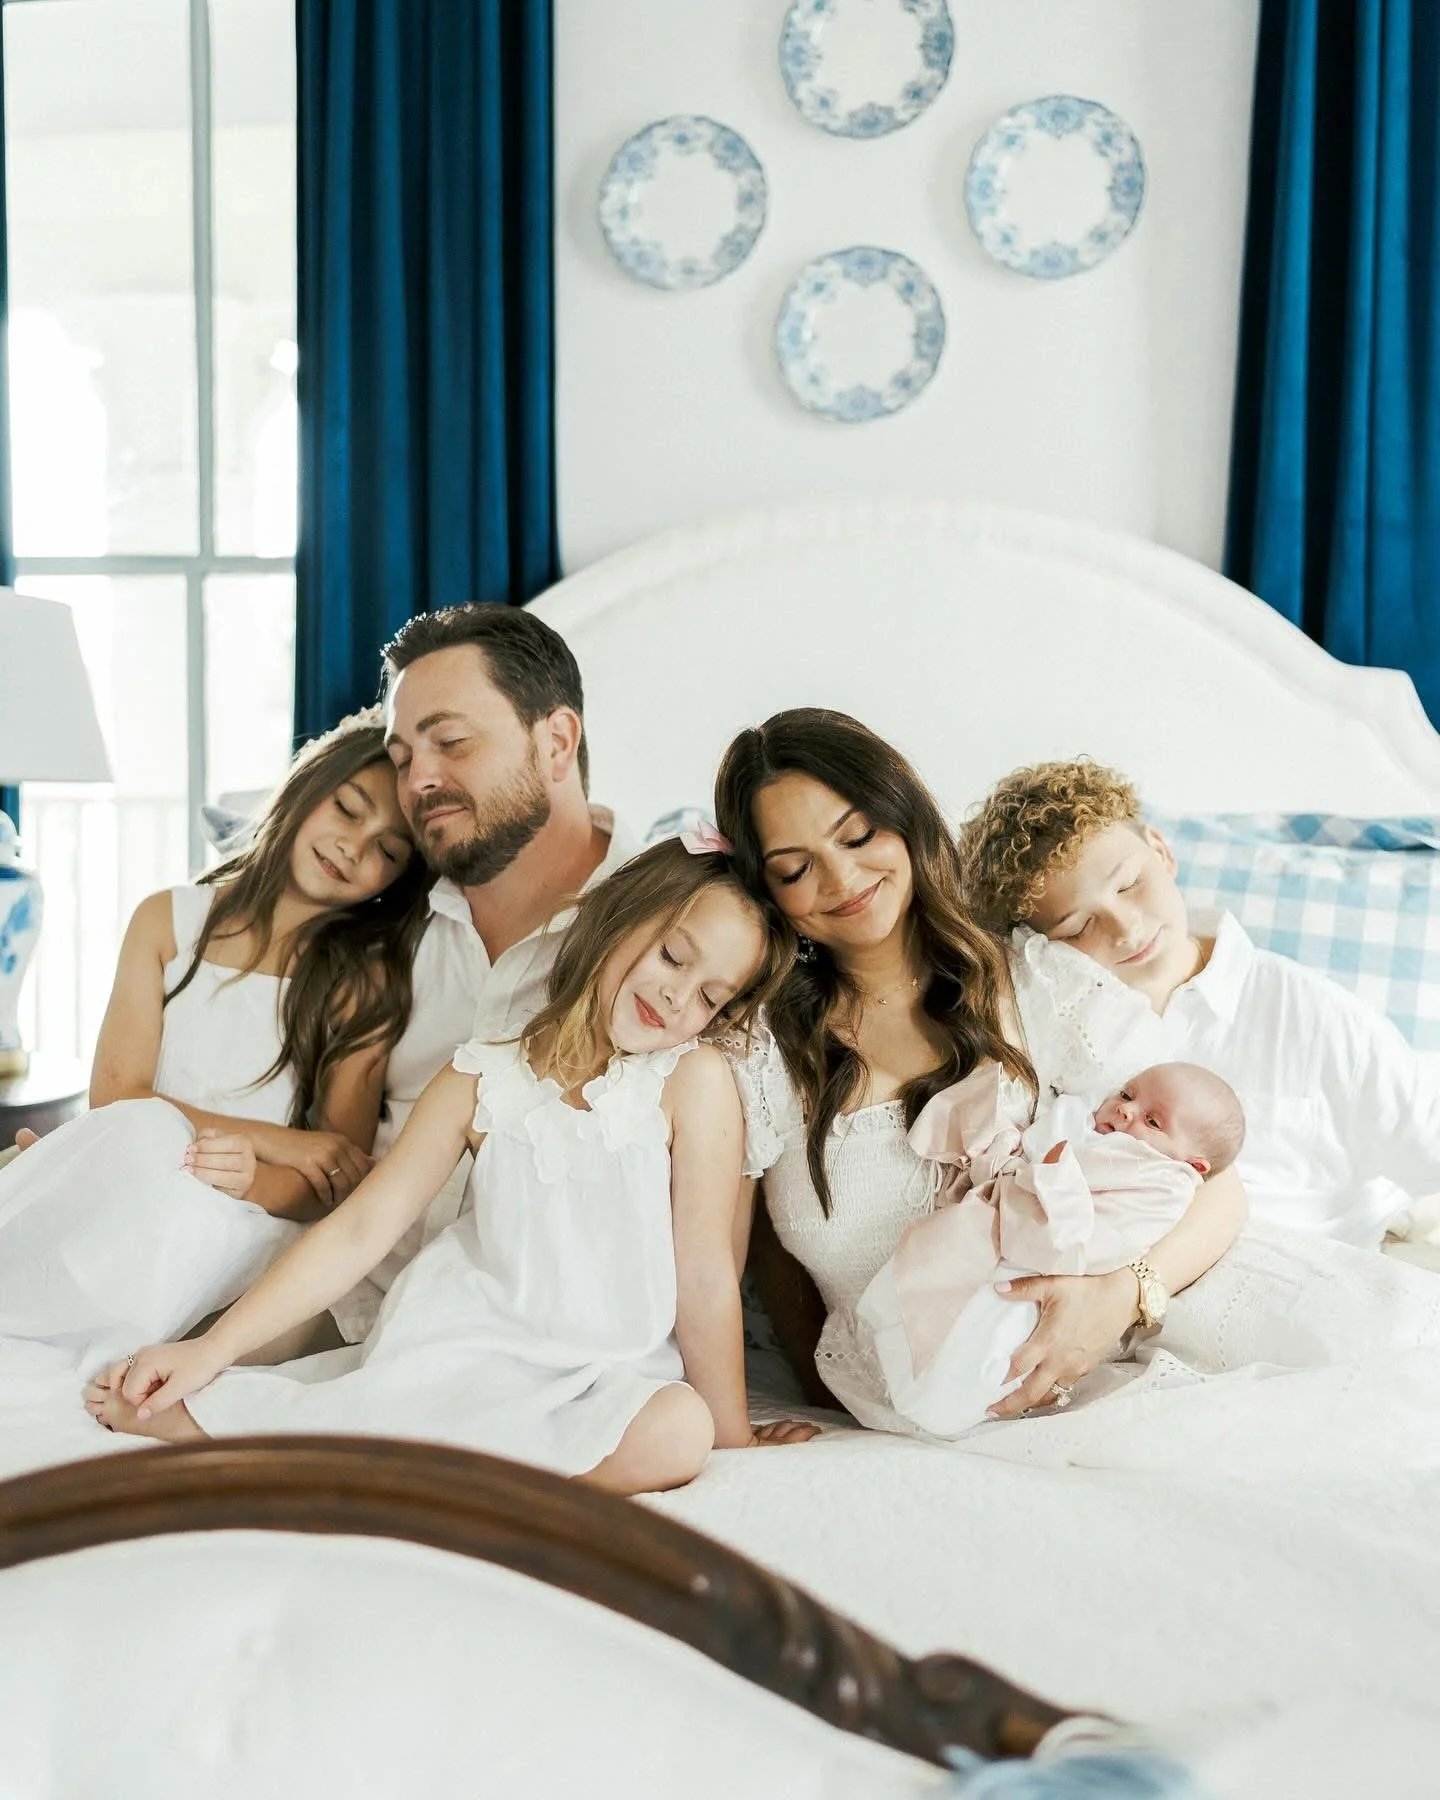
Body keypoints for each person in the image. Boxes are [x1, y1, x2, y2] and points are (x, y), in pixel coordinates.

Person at [86, 837, 816, 1495]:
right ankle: (380, 1465)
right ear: (620, 919)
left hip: (602, 1376)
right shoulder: (479, 1077)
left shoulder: (692, 1084)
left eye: (709, 998)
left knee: (679, 1428)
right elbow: (359, 1230)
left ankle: (436, 1485)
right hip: (459, 1348)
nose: (676, 996)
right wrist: (211, 1349)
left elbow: (705, 1275)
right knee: (367, 1399)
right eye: (672, 957)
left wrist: (733, 1433)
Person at [711, 709, 1248, 1428]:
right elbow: (750, 1263)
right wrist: (807, 1404)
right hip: (910, 1410)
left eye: (858, 834)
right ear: (766, 889)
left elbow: (1217, 1184)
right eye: (796, 868)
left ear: (903, 814)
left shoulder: (1036, 980)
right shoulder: (757, 1049)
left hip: (1110, 1370)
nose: (842, 878)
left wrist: (1122, 1297)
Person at [0, 711, 430, 1369]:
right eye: (348, 809)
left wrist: (255, 1177)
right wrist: (278, 1138)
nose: (355, 845)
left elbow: (332, 1176)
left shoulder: (359, 982)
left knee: (123, 1199)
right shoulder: (168, 920)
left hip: (239, 1213)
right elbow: (120, 1098)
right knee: (101, 1150)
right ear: (308, 787)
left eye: (388, 851)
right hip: (135, 1159)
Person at [957, 759, 1440, 1248]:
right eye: (1079, 927)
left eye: (1129, 885)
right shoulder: (1053, 1044)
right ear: (1038, 949)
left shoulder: (1308, 1013)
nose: (1126, 928)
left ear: (1162, 852)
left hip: (1323, 1271)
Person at [328, 603, 643, 1344]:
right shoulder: (379, 928)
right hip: (350, 1315)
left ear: (557, 741)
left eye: (451, 742)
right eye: (402, 757)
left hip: (550, 1351)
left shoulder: (676, 940)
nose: (419, 781)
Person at [859, 1061, 1244, 1438]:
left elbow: (1088, 1215)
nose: (1126, 1109)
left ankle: (954, 1393)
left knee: (998, 1327)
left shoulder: (1161, 1178)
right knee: (951, 1312)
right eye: (1127, 1094)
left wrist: (1124, 1292)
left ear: (1193, 1165)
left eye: (1153, 1122)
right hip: (1012, 1246)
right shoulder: (1091, 1121)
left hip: (1053, 1260)